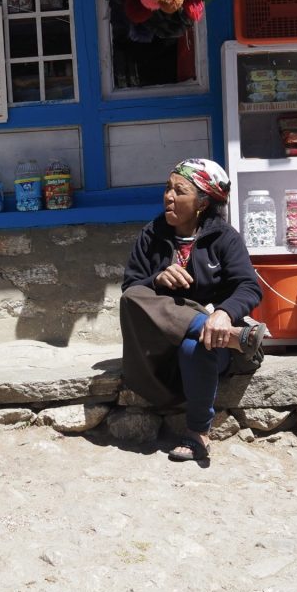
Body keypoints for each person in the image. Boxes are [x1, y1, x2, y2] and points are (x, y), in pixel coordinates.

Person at [120, 158, 266, 463]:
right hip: (163, 343)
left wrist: (223, 314)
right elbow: (131, 288)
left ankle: (198, 434)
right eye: (167, 188)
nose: (168, 196)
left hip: (212, 342)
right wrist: (157, 279)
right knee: (133, 297)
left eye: (179, 190)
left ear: (202, 202)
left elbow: (249, 287)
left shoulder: (223, 237)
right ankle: (227, 333)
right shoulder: (151, 234)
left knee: (196, 345)